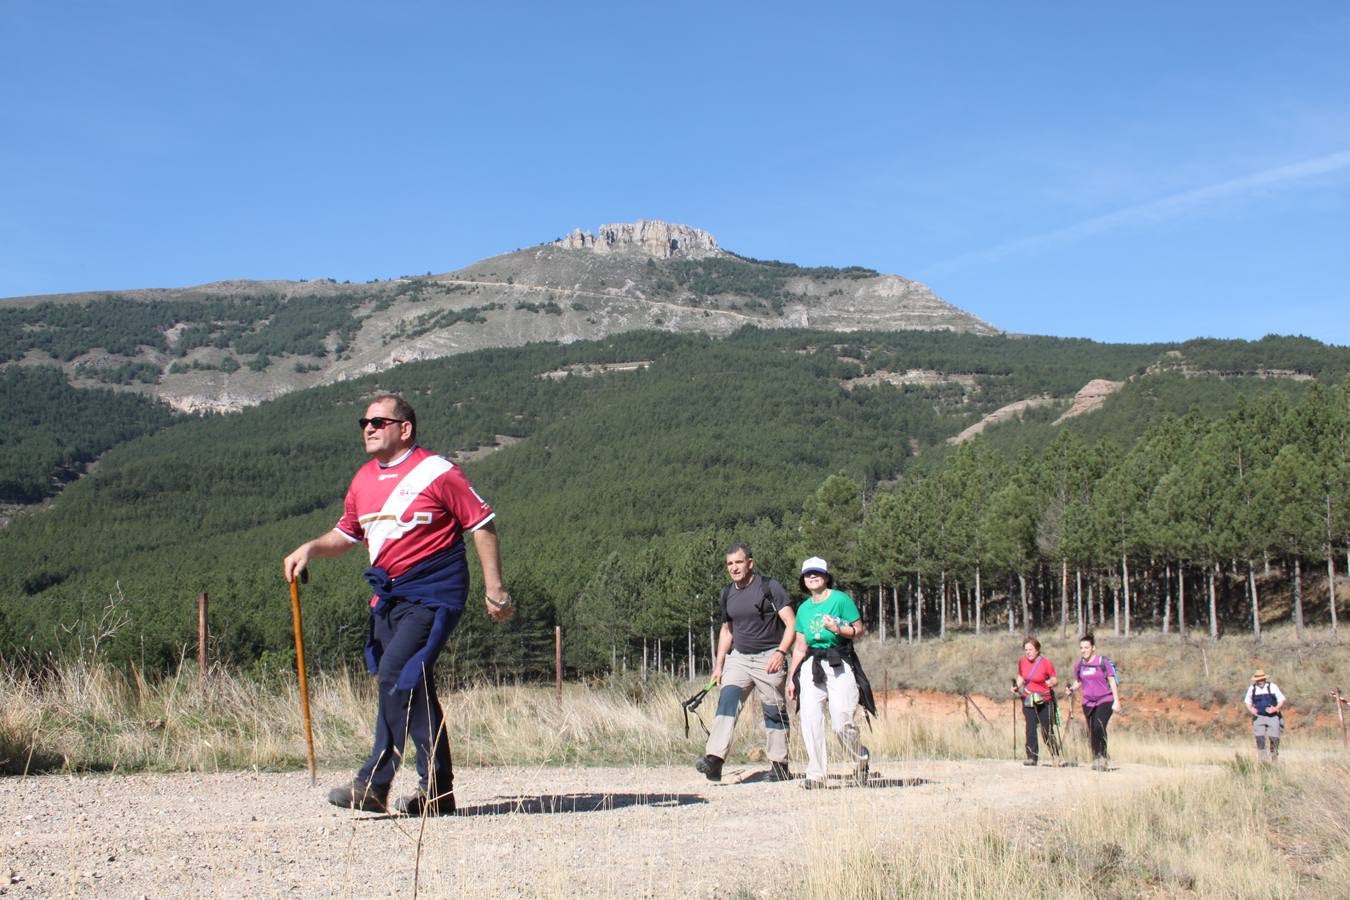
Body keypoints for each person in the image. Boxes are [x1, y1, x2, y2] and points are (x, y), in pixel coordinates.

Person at [282, 393, 513, 816]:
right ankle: (438, 793)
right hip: (389, 597)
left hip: (435, 592)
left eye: (378, 422)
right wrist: (310, 548)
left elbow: (482, 523)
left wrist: (494, 589)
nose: (368, 428)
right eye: (363, 422)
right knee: (416, 686)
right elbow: (347, 535)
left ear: (404, 429)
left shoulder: (438, 472)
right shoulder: (363, 480)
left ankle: (374, 782)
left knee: (396, 673)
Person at [695, 542, 795, 782]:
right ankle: (714, 760)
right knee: (727, 702)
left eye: (738, 562)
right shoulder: (727, 593)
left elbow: (792, 624)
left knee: (773, 710)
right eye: (729, 564)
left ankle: (780, 765)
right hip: (738, 658)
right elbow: (727, 630)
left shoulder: (769, 587)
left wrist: (781, 652)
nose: (734, 567)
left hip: (769, 657)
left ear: (750, 563)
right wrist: (719, 666)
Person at [786, 557, 875, 789]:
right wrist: (792, 678)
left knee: (842, 720)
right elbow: (800, 646)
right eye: (808, 574)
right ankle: (816, 774)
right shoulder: (803, 609)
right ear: (803, 580)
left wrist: (838, 629)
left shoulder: (840, 600)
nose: (812, 577)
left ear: (826, 577)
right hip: (811, 665)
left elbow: (859, 629)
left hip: (839, 661)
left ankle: (860, 760)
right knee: (810, 718)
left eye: (817, 573)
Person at [1067, 632, 1119, 772]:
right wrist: (1072, 688)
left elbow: (1112, 681)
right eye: (1081, 648)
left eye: (1086, 647)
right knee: (1092, 730)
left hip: (1105, 699)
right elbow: (1079, 681)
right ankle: (1097, 756)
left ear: (1093, 648)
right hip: (1088, 702)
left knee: (1098, 726)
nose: (1084, 650)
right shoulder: (1079, 665)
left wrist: (1116, 701)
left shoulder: (1103, 662)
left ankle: (1102, 757)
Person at [1011, 636, 1060, 766]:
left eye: (1030, 649)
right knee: (1030, 727)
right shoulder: (1022, 662)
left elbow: (1055, 679)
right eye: (1026, 650)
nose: (1028, 652)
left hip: (1044, 699)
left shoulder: (1046, 663)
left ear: (1037, 650)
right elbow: (1022, 676)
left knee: (1046, 729)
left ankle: (1055, 755)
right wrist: (1016, 686)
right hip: (1028, 698)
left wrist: (1051, 682)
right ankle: (1032, 757)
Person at [1243, 669, 1286, 763]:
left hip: (1273, 717)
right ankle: (1263, 763)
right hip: (1258, 717)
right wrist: (1251, 710)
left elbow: (1281, 700)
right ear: (1255, 680)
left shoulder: (1272, 686)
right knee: (1260, 738)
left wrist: (1275, 709)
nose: (1260, 681)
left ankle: (1274, 759)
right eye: (1258, 680)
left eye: (1262, 679)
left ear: (1265, 679)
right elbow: (1247, 702)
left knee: (1274, 738)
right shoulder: (1252, 688)